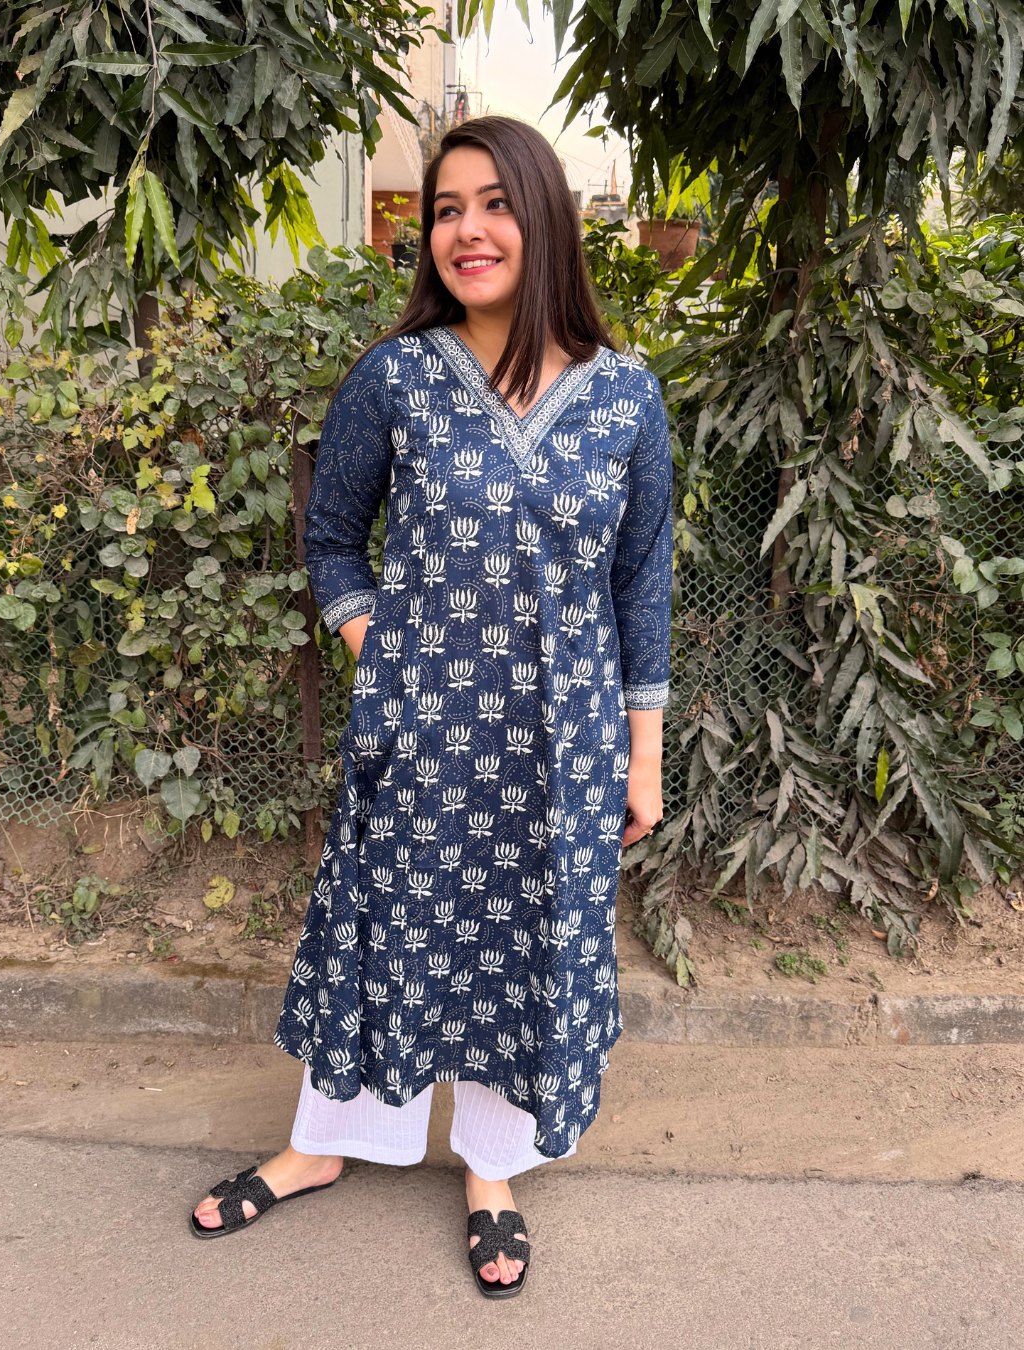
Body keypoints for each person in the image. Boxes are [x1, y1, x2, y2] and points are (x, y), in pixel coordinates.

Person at [190, 114, 673, 1299]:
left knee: (528, 938)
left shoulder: (625, 397)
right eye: (448, 208)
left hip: (563, 744)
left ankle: (492, 1171)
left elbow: (643, 583)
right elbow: (330, 538)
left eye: (495, 204)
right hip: (422, 730)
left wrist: (643, 758)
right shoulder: (397, 376)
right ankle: (322, 1143)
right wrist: (386, 650)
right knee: (384, 924)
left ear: (545, 218)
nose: (468, 229)